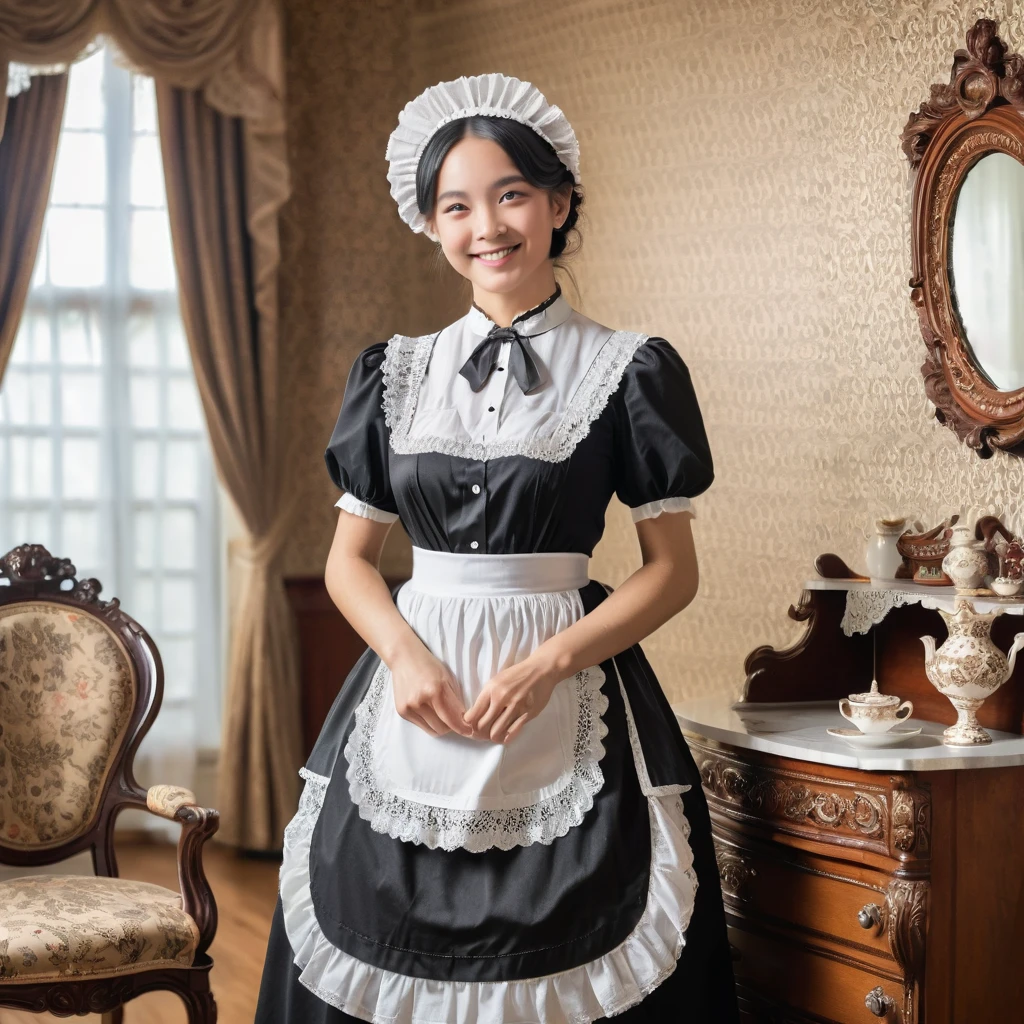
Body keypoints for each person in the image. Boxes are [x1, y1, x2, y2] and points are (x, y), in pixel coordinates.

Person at [255, 72, 739, 1024]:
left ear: (559, 203)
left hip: (569, 686)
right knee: (372, 919)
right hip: (414, 685)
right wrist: (403, 656)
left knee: (584, 929)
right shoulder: (392, 373)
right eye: (457, 205)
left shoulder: (629, 368)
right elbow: (350, 560)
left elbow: (673, 571)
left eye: (511, 193)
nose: (488, 225)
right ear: (432, 224)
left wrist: (555, 659)